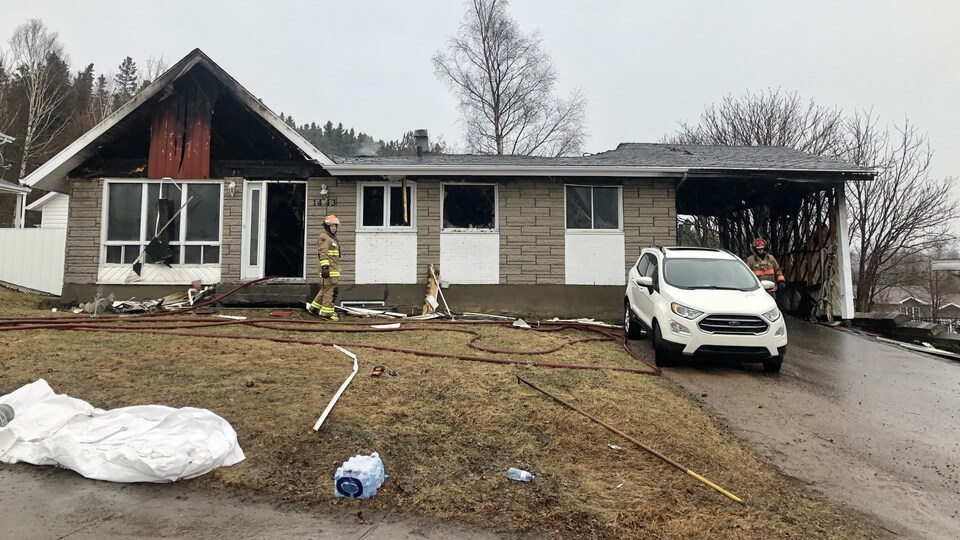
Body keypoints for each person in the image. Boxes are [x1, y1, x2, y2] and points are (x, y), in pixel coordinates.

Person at [307, 214, 342, 320]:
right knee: (329, 291)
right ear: (327, 227)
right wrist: (325, 268)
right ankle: (326, 313)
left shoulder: (331, 238)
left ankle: (314, 309)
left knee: (324, 289)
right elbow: (323, 253)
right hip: (328, 270)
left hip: (332, 269)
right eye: (332, 226)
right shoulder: (325, 238)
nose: (334, 228)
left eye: (335, 226)